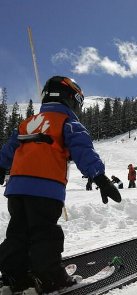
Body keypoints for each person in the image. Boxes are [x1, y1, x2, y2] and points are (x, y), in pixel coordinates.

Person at [0, 76, 122, 294]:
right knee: (44, 233)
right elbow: (83, 151)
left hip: (17, 189)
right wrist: (100, 178)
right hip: (46, 188)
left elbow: (9, 149)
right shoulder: (68, 122)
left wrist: (1, 167)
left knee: (18, 232)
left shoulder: (27, 123)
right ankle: (50, 277)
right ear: (70, 99)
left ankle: (15, 276)